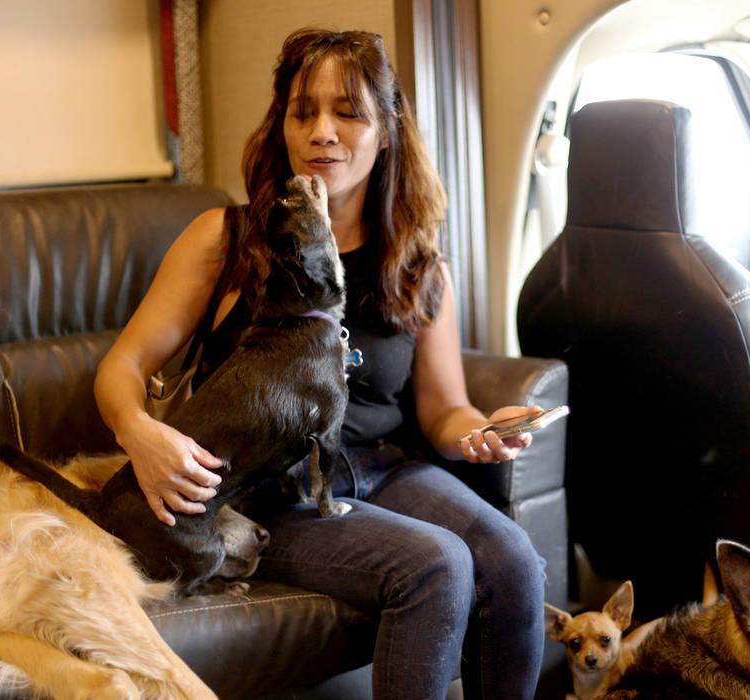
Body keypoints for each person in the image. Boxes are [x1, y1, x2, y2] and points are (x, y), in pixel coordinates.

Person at [93, 27, 546, 700]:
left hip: (383, 471)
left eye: (347, 113)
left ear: (388, 129)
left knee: (515, 562)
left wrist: (480, 431)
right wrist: (141, 433)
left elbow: (443, 408)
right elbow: (120, 368)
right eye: (303, 113)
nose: (322, 132)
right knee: (435, 565)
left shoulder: (417, 266)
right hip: (271, 488)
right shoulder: (229, 239)